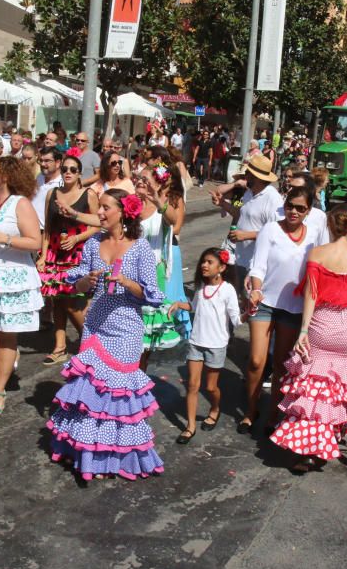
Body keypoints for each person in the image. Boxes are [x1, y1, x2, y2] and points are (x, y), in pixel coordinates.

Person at [46, 189, 166, 480]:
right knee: (91, 394)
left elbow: (152, 296)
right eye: (99, 207)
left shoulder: (140, 250)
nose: (99, 213)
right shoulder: (93, 244)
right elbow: (78, 286)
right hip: (95, 324)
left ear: (123, 212)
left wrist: (126, 281)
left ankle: (112, 458)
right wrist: (86, 281)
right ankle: (88, 456)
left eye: (105, 208)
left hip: (125, 329)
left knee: (115, 397)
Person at [271, 204, 347, 472]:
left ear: (329, 225)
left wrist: (303, 330)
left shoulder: (317, 253)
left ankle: (306, 448)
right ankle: (327, 440)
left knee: (312, 386)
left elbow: (311, 294)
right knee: (337, 388)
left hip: (322, 323)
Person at [242, 186, 321, 434]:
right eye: (290, 206)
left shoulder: (315, 235)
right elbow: (258, 266)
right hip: (264, 301)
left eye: (300, 208)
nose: (294, 212)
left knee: (280, 364)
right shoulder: (271, 229)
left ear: (308, 211)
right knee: (256, 360)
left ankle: (273, 414)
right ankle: (250, 409)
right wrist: (255, 289)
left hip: (293, 308)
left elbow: (320, 270)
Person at [0, 156, 43, 418]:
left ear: (6, 175)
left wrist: (5, 238)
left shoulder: (20, 203)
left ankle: (0, 389)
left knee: (5, 334)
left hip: (10, 276)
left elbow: (35, 242)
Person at [170, 248, 241, 444]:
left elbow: (236, 319)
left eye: (209, 262)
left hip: (216, 345)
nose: (204, 265)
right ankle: (190, 426)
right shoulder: (201, 286)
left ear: (222, 267)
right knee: (192, 385)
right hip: (196, 341)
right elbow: (195, 305)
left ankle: (215, 408)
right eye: (203, 261)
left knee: (210, 387)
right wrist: (179, 304)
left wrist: (249, 312)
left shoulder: (227, 290)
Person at [38, 154, 99, 365]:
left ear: (80, 173)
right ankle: (60, 346)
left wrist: (76, 238)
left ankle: (91, 341)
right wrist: (43, 256)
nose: (68, 173)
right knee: (57, 301)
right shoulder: (52, 194)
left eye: (73, 169)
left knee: (73, 302)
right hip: (56, 251)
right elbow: (47, 227)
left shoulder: (88, 194)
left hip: (78, 252)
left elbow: (98, 223)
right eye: (65, 169)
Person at [134, 164, 189, 361]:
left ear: (158, 184)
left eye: (145, 180)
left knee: (144, 334)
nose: (139, 182)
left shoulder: (163, 206)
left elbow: (173, 221)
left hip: (152, 271)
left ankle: (138, 376)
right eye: (138, 178)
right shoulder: (129, 203)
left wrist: (158, 202)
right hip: (129, 269)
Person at [212, 154, 283, 290]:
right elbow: (240, 214)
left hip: (256, 264)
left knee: (249, 304)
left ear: (256, 177)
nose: (245, 175)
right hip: (240, 258)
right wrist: (222, 203)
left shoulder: (272, 198)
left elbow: (277, 232)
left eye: (248, 173)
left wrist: (246, 235)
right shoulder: (249, 193)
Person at [32, 146, 63, 230]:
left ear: (58, 163)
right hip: (31, 229)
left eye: (47, 161)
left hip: (47, 232)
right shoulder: (39, 176)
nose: (42, 164)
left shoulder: (62, 184)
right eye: (41, 160)